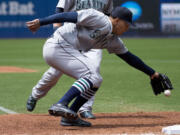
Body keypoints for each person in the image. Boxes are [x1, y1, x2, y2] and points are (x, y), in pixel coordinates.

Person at [26, 6, 160, 127]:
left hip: (65, 51)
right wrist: (41, 22)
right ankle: (61, 104)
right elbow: (67, 16)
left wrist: (152, 73)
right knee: (91, 75)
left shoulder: (113, 39)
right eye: (127, 25)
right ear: (117, 20)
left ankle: (70, 116)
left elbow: (129, 58)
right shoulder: (98, 18)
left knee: (96, 80)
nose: (127, 29)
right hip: (58, 46)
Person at [26, 0, 113, 119]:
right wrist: (57, 30)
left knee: (93, 71)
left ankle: (85, 108)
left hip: (94, 38)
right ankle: (35, 94)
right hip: (71, 36)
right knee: (54, 73)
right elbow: (60, 10)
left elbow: (109, 16)